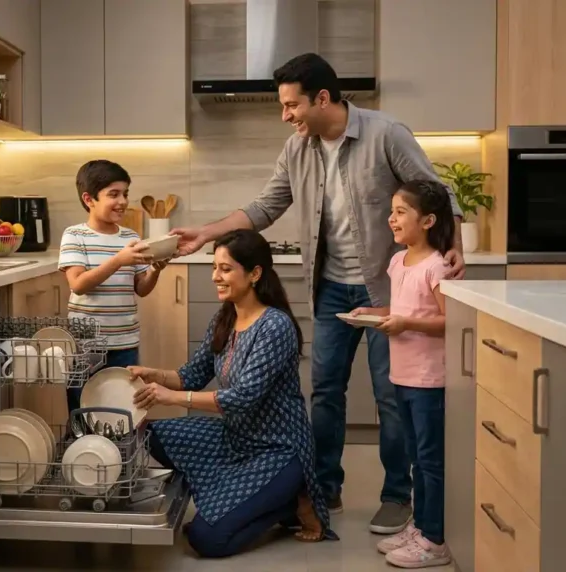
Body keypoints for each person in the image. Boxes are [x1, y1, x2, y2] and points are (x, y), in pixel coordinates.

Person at [170, 52, 465, 534]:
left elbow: (437, 192)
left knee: (391, 395)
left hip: (385, 288)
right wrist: (206, 232)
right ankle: (324, 486)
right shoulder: (296, 149)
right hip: (329, 287)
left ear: (322, 98)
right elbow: (265, 207)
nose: (285, 115)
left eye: (291, 105)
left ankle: (396, 495)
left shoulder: (386, 134)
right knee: (326, 390)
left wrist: (455, 245)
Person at [128, 229, 333, 559]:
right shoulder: (225, 317)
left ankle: (291, 503)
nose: (215, 277)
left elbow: (242, 398)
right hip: (234, 437)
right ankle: (232, 494)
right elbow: (192, 375)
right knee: (147, 432)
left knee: (205, 539)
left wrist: (171, 397)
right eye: (214, 268)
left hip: (277, 449)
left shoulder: (275, 326)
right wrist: (155, 375)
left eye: (225, 269)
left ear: (254, 274)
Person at [350, 180, 454, 568]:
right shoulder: (398, 261)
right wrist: (370, 313)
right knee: (415, 458)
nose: (391, 219)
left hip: (430, 380)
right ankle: (420, 526)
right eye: (391, 211)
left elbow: (450, 320)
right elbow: (399, 310)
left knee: (430, 461)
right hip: (403, 375)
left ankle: (435, 540)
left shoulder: (438, 266)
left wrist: (406, 324)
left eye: (400, 212)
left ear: (428, 221)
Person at [58, 159, 165, 411]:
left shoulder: (131, 237)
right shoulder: (75, 235)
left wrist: (155, 270)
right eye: (113, 194)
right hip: (86, 345)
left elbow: (141, 288)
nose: (123, 201)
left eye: (125, 194)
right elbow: (78, 284)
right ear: (89, 199)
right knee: (83, 412)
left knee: (124, 412)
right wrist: (118, 260)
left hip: (125, 343)